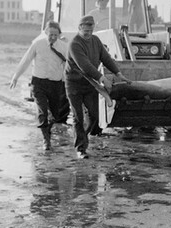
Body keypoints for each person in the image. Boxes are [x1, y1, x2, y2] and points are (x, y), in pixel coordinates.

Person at [64, 14, 128, 159]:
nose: (88, 34)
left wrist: (118, 73)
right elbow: (84, 65)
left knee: (94, 116)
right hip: (73, 83)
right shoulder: (75, 44)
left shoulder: (96, 41)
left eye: (90, 30)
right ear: (79, 28)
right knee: (78, 116)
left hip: (89, 83)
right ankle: (81, 148)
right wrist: (102, 78)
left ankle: (82, 137)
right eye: (85, 31)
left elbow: (106, 58)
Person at [9, 21, 70, 151]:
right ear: (46, 33)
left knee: (54, 114)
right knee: (42, 112)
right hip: (39, 83)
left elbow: (68, 66)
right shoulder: (38, 44)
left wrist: (67, 83)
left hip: (55, 84)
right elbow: (26, 60)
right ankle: (46, 140)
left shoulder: (64, 47)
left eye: (55, 35)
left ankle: (47, 132)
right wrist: (16, 76)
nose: (52, 37)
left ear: (59, 34)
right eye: (50, 34)